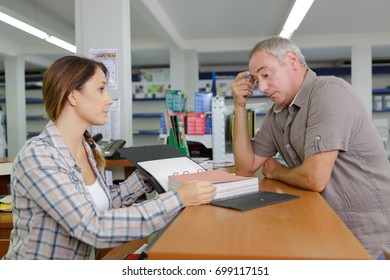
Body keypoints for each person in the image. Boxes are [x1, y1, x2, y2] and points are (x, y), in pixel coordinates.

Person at [3, 55, 216, 260]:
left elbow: (97, 206)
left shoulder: (85, 147)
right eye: (101, 89)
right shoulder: (40, 156)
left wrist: (143, 178)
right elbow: (92, 226)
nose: (109, 100)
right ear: (73, 95)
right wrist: (179, 199)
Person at [231, 36, 390, 259]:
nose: (262, 87)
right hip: (325, 231)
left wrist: (277, 171)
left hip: (366, 240)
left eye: (266, 75)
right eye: (257, 80)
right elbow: (245, 168)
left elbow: (314, 178)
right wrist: (239, 106)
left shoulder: (329, 92)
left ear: (292, 60)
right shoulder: (277, 114)